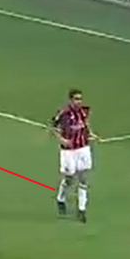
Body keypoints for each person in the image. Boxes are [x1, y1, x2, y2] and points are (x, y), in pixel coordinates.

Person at [51, 89, 95, 222]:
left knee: (83, 178)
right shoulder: (63, 113)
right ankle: (60, 198)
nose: (79, 102)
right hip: (68, 151)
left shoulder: (84, 111)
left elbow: (86, 124)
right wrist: (62, 140)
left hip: (83, 148)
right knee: (69, 178)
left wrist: (90, 134)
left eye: (80, 99)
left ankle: (82, 210)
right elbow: (53, 128)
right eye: (76, 99)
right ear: (70, 100)